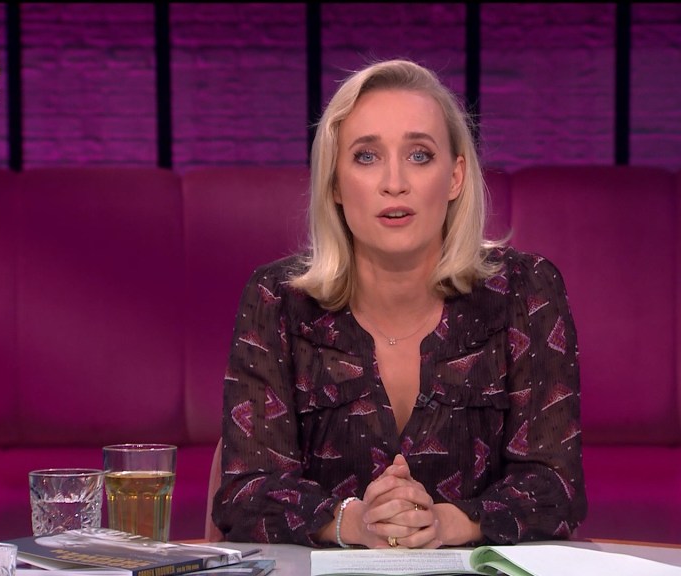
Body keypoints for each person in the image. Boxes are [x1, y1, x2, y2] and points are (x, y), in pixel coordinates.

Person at [211, 59, 586, 549]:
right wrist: (356, 522)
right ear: (334, 183)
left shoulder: (526, 291)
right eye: (367, 156)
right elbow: (245, 492)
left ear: (455, 177)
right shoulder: (277, 299)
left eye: (419, 155)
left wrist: (447, 524)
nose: (394, 182)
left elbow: (556, 488)